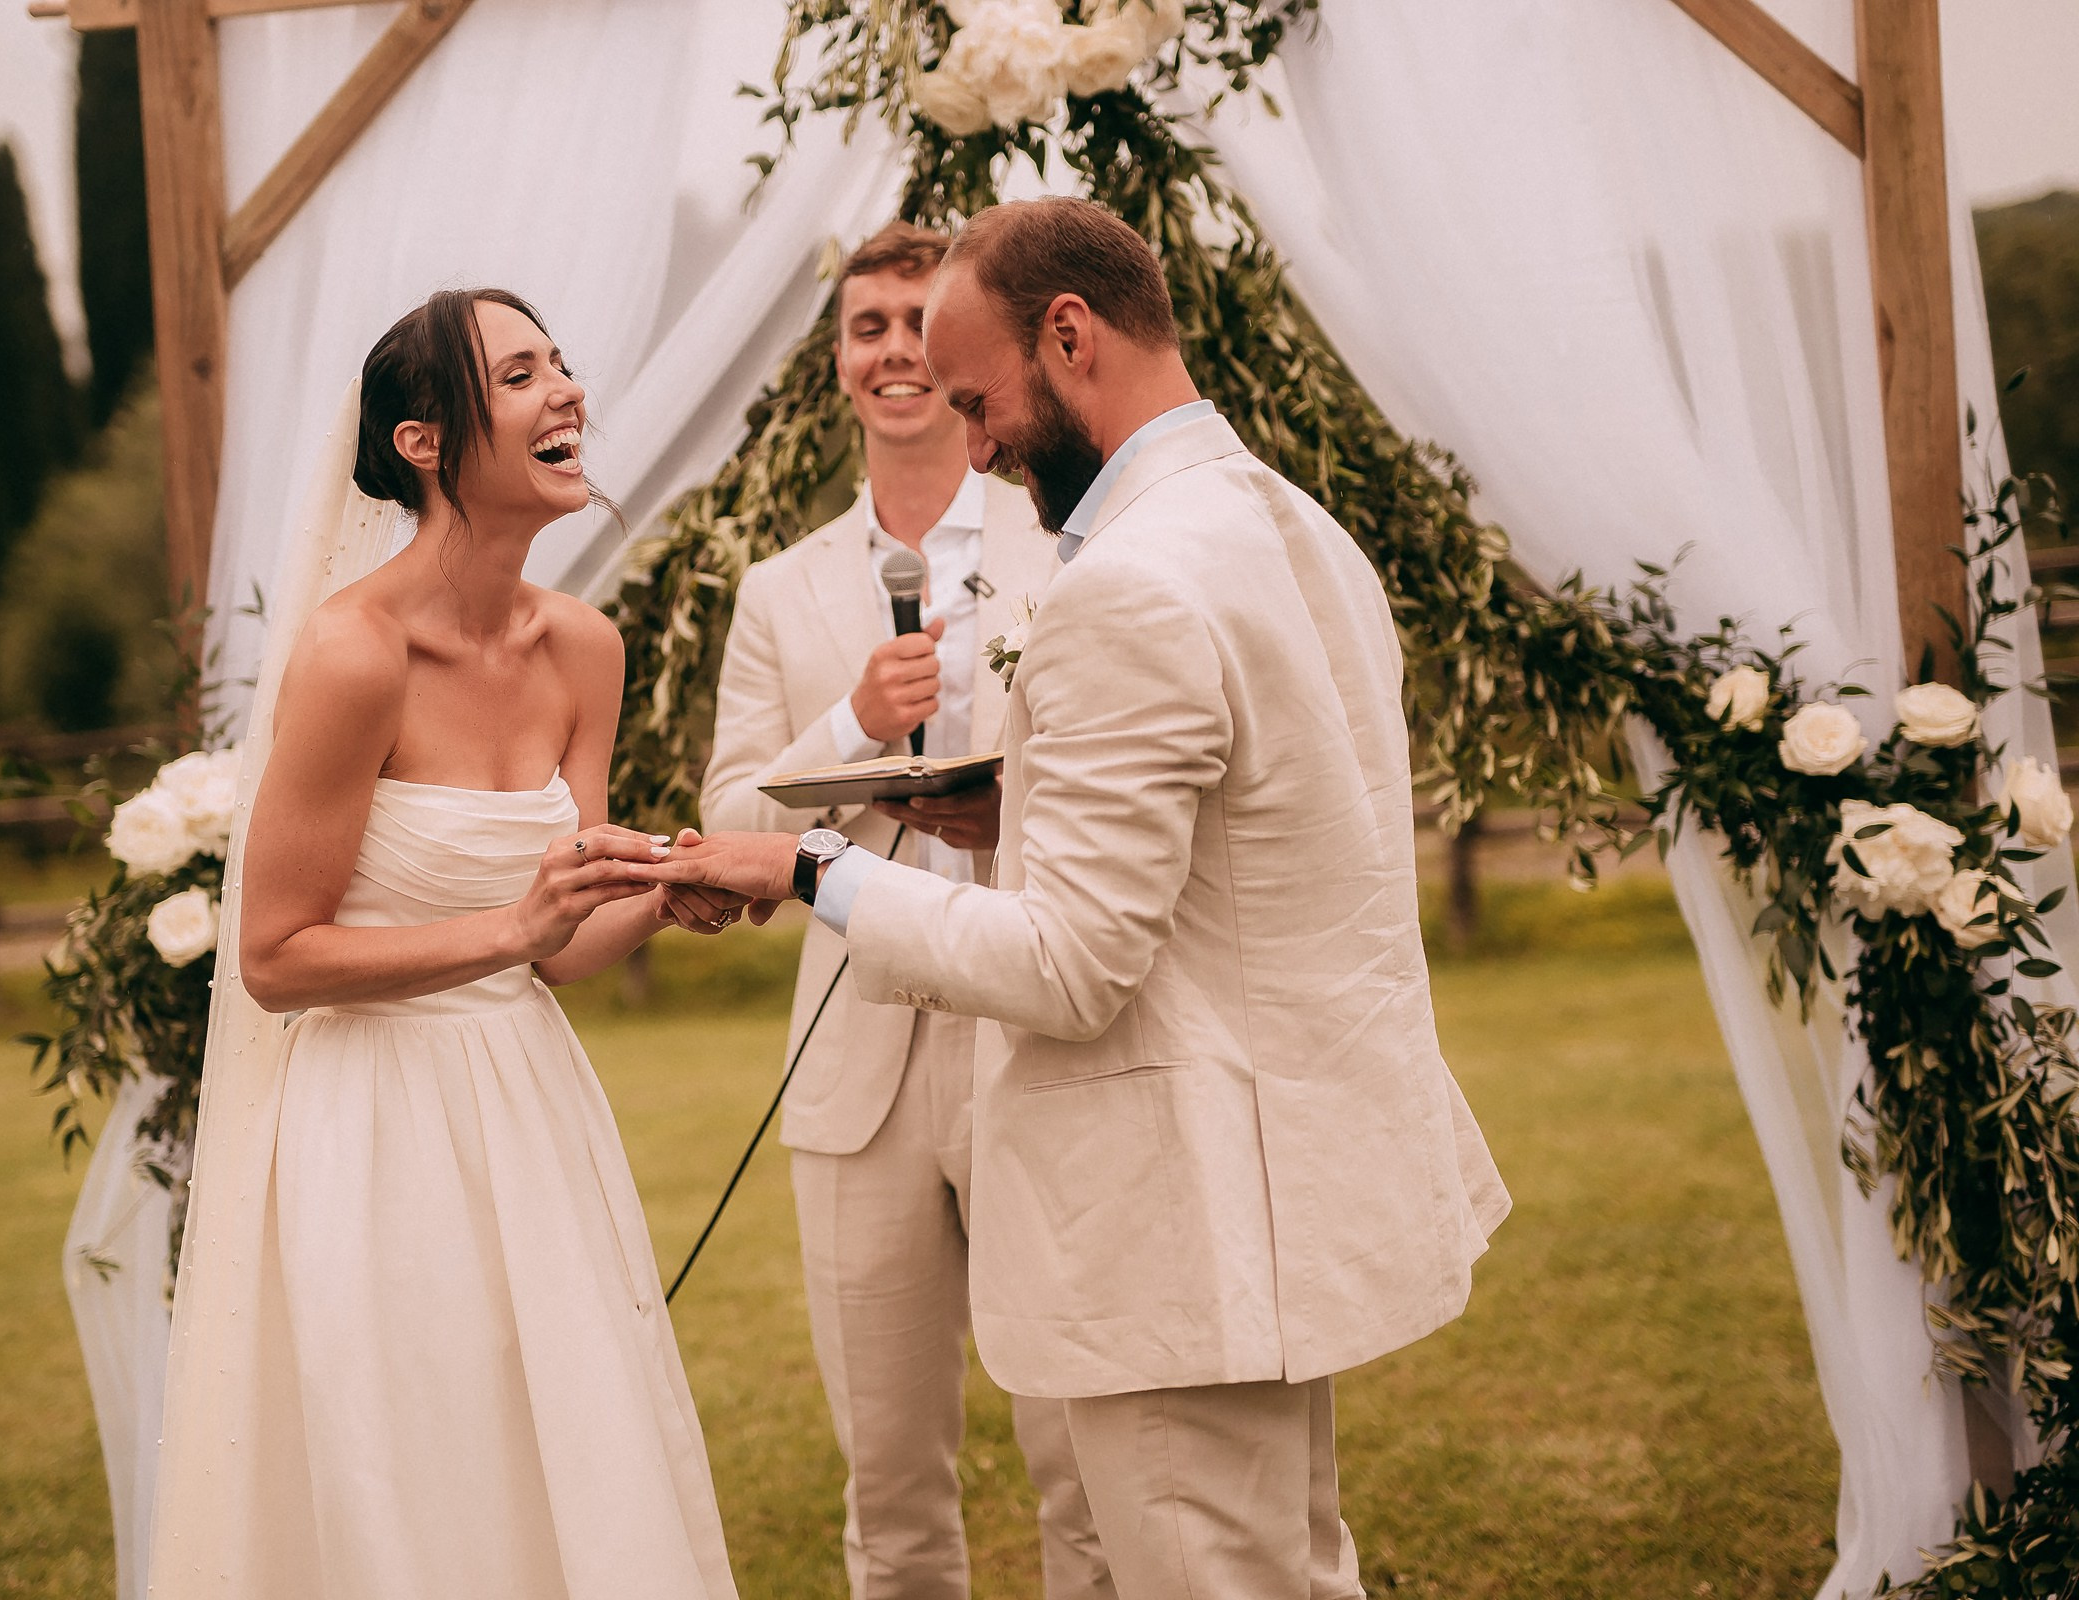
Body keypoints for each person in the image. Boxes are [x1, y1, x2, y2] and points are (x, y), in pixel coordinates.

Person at [646, 199, 1512, 1599]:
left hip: (1178, 1217)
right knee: (1293, 1569)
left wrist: (810, 864)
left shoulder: (1126, 587)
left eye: (981, 400)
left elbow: (1071, 968)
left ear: (1071, 335)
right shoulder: (1293, 526)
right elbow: (1260, 839)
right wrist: (1017, 810)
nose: (972, 439)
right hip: (1275, 1192)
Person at [146, 288, 747, 1600]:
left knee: (567, 1443)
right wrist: (517, 923)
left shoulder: (585, 648)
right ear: (425, 443)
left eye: (563, 365)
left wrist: (662, 891)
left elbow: (562, 951)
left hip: (530, 1109)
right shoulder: (356, 654)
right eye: (523, 373)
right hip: (374, 1122)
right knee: (417, 1463)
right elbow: (275, 957)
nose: (567, 391)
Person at [699, 222, 1107, 1600]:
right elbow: (728, 833)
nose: (893, 351)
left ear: (960, 352)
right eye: (865, 327)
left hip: (1037, 1035)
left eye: (914, 325)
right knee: (888, 1488)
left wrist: (1020, 808)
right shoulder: (780, 590)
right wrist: (849, 722)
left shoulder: (1064, 540)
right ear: (838, 365)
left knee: (1082, 1464)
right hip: (854, 1063)